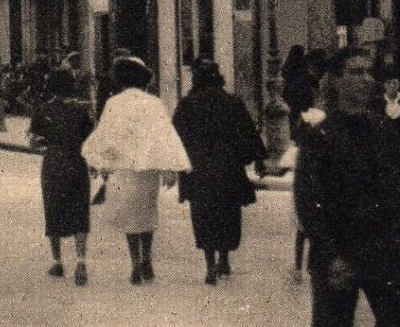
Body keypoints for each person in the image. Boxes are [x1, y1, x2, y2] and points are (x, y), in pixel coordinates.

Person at [294, 47, 400, 327]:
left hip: (380, 249)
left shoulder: (383, 129)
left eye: (368, 72)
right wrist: (331, 254)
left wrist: (394, 233)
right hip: (337, 254)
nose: (366, 79)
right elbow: (309, 201)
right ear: (335, 80)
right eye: (355, 72)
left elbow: (393, 188)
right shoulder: (320, 136)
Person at [81, 56, 192, 285]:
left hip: (123, 168)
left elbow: (106, 136)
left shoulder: (114, 103)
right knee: (147, 214)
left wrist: (102, 164)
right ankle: (148, 258)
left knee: (129, 217)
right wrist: (169, 168)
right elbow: (164, 137)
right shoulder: (154, 103)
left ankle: (134, 261)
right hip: (147, 168)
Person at [172, 59, 266, 285]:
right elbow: (247, 132)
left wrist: (176, 163)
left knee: (203, 216)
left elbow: (175, 136)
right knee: (227, 214)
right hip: (228, 168)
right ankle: (224, 258)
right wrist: (258, 159)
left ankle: (209, 264)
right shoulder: (232, 102)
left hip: (199, 169)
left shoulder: (187, 104)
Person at [29, 68, 94, 285]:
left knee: (53, 209)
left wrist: (47, 141)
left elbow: (34, 141)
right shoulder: (81, 111)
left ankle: (57, 262)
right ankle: (81, 260)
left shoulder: (42, 110)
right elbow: (90, 139)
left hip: (54, 163)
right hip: (77, 162)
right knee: (79, 210)